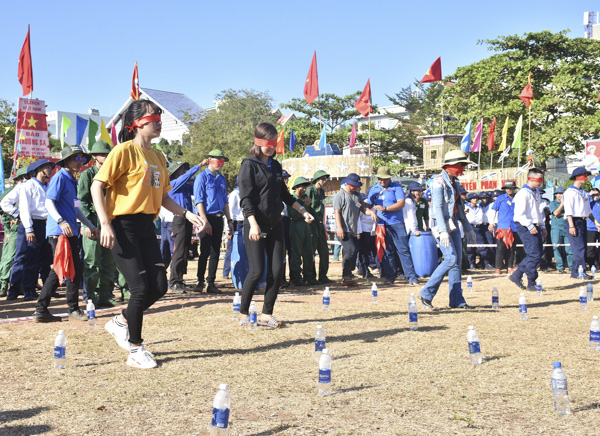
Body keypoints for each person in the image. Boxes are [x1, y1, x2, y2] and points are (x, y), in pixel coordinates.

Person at [92, 100, 204, 368]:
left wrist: (186, 213)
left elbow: (164, 197)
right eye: (154, 118)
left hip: (146, 226)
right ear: (138, 123)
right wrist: (105, 223)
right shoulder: (123, 151)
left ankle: (120, 321)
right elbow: (98, 186)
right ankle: (135, 349)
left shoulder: (157, 157)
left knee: (159, 286)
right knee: (139, 289)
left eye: (159, 118)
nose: (158, 122)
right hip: (122, 226)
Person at [237, 122, 314, 328]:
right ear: (257, 141)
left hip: (276, 224)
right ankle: (243, 312)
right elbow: (245, 199)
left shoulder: (276, 165)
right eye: (266, 142)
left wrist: (304, 211)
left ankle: (266, 314)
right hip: (256, 224)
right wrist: (253, 224)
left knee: (277, 270)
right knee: (256, 270)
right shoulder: (249, 165)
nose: (270, 146)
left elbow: (285, 195)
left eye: (273, 142)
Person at [34, 145, 100, 321]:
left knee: (68, 270)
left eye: (82, 159)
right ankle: (65, 309)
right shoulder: (60, 178)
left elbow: (76, 209)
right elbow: (49, 202)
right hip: (60, 232)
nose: (80, 162)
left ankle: (46, 310)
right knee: (64, 270)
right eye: (76, 158)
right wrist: (61, 221)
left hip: (69, 232)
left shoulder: (72, 181)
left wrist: (89, 225)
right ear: (67, 161)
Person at [419, 150, 476, 309]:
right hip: (441, 225)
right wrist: (443, 231)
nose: (463, 168)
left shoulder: (454, 182)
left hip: (454, 223)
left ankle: (457, 300)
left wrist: (467, 227)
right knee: (450, 259)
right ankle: (426, 293)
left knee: (456, 262)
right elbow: (436, 207)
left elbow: (459, 206)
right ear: (451, 166)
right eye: (461, 165)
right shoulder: (438, 182)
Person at [78, 140, 119, 308]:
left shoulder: (114, 175)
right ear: (94, 157)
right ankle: (90, 297)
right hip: (93, 222)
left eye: (108, 154)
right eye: (102, 154)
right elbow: (82, 201)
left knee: (109, 261)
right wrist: (87, 225)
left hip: (110, 222)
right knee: (92, 262)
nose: (106, 157)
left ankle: (105, 295)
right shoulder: (87, 175)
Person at [7, 159, 55, 302]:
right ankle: (25, 290)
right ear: (40, 169)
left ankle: (47, 289)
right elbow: (24, 208)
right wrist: (26, 225)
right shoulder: (27, 186)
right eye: (48, 167)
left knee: (46, 258)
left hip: (46, 224)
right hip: (32, 224)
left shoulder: (48, 186)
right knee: (28, 258)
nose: (51, 169)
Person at [367, 166, 419, 286]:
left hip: (397, 223)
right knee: (387, 251)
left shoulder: (397, 187)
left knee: (403, 250)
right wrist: (370, 211)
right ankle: (389, 277)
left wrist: (385, 208)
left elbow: (401, 204)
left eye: (385, 179)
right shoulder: (374, 189)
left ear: (389, 178)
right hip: (381, 225)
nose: (382, 181)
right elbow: (367, 204)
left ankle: (412, 278)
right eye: (380, 179)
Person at [193, 149, 234, 294]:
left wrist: (229, 220)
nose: (221, 163)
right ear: (209, 160)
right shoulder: (202, 177)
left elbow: (225, 201)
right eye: (218, 160)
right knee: (204, 251)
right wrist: (205, 221)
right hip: (205, 217)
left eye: (222, 160)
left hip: (218, 218)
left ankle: (211, 282)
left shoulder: (221, 179)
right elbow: (199, 201)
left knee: (215, 251)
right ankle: (199, 281)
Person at [168, 160, 207, 293]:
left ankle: (179, 280)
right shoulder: (173, 184)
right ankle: (174, 282)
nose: (185, 171)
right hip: (179, 219)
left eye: (185, 169)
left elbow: (196, 185)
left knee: (184, 251)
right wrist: (199, 166)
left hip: (187, 220)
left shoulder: (184, 186)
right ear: (175, 173)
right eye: (182, 169)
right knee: (179, 251)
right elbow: (186, 178)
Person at [335, 173, 379, 286]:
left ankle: (348, 275)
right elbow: (337, 212)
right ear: (349, 185)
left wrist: (371, 212)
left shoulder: (358, 196)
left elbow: (363, 210)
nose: (359, 187)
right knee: (351, 250)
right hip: (344, 229)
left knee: (352, 252)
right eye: (356, 185)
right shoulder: (340, 195)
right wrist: (339, 227)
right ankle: (346, 275)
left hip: (353, 230)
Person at [509, 168, 547, 291]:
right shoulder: (523, 193)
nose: (540, 182)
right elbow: (519, 215)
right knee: (534, 254)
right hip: (526, 226)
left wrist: (542, 225)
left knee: (537, 253)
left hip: (535, 225)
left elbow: (538, 212)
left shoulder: (535, 192)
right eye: (538, 179)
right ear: (530, 178)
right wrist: (530, 226)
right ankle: (531, 282)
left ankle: (517, 275)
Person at [563, 167, 600, 279]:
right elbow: (568, 210)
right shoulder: (570, 192)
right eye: (584, 176)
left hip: (582, 221)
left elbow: (588, 211)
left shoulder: (583, 192)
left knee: (582, 246)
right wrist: (571, 225)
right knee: (579, 248)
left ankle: (575, 271)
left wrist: (595, 221)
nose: (586, 178)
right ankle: (581, 270)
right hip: (574, 221)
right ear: (578, 177)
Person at [0, 166, 29, 297]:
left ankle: (21, 285)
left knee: (25, 257)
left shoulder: (28, 189)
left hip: (25, 228)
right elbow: (2, 209)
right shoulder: (11, 191)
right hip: (13, 230)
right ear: (20, 179)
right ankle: (2, 285)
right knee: (9, 258)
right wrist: (7, 229)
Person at [288, 176, 319, 287]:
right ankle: (296, 278)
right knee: (296, 254)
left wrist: (308, 206)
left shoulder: (305, 198)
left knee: (308, 253)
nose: (305, 189)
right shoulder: (292, 199)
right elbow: (294, 215)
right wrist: (305, 205)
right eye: (302, 186)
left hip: (307, 227)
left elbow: (310, 213)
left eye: (306, 187)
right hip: (296, 227)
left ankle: (308, 277)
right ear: (296, 187)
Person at [306, 170, 333, 284]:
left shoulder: (321, 191)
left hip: (320, 224)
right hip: (311, 224)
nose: (324, 181)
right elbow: (306, 205)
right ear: (316, 179)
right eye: (322, 179)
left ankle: (323, 276)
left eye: (325, 179)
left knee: (324, 251)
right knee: (311, 251)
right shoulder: (310, 190)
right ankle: (311, 277)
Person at [489, 180, 519, 275]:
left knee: (512, 248)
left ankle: (509, 267)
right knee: (500, 248)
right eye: (507, 188)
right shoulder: (500, 198)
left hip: (514, 226)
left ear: (514, 189)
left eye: (510, 188)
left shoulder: (518, 198)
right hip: (502, 227)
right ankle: (498, 268)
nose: (509, 190)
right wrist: (491, 223)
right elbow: (493, 210)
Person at [549, 187, 573, 273]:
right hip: (556, 229)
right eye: (559, 193)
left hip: (567, 228)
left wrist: (561, 214)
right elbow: (555, 213)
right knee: (557, 247)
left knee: (569, 248)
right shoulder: (552, 203)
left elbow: (571, 214)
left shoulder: (569, 203)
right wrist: (562, 205)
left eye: (562, 194)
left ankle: (571, 266)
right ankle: (560, 267)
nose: (561, 195)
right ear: (555, 195)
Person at [586, 187, 600, 269]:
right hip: (591, 227)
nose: (596, 196)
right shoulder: (589, 202)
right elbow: (583, 202)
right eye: (594, 194)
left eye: (597, 194)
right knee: (590, 248)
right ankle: (591, 264)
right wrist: (590, 195)